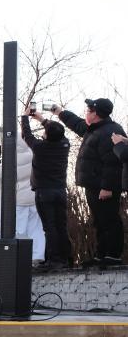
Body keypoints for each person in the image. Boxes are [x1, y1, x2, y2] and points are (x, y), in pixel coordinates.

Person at [55, 98, 126, 266]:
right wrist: (59, 112)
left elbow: (113, 163)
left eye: (88, 110)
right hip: (93, 184)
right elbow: (76, 124)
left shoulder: (111, 131)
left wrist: (108, 187)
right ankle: (101, 255)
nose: (85, 113)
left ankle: (113, 255)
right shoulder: (94, 129)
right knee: (99, 220)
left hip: (104, 186)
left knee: (110, 220)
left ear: (96, 114)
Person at [22, 109, 72, 270]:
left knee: (49, 227)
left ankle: (54, 259)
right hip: (60, 191)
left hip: (45, 192)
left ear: (47, 135)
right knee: (61, 226)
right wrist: (42, 120)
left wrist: (25, 117)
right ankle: (65, 258)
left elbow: (27, 135)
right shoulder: (64, 145)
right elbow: (57, 132)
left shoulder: (40, 147)